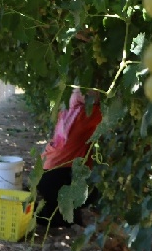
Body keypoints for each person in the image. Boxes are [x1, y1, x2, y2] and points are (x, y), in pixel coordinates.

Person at [36, 88, 103, 227]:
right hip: (57, 177)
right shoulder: (86, 115)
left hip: (46, 173)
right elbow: (110, 116)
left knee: (54, 211)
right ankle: (62, 214)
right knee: (94, 192)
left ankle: (55, 211)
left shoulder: (67, 112)